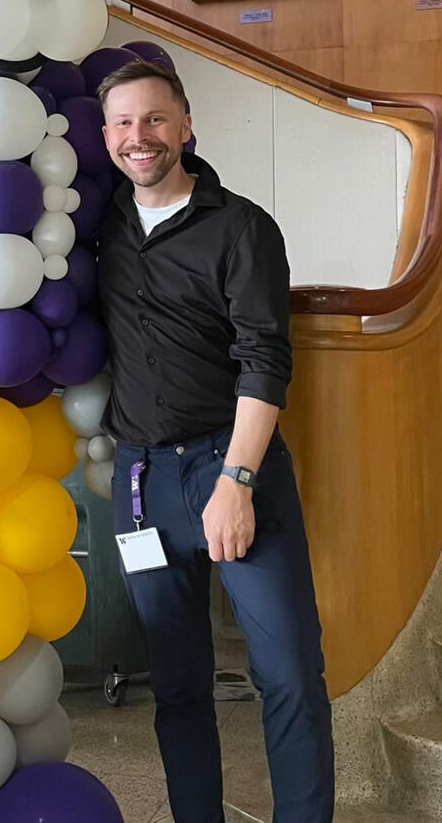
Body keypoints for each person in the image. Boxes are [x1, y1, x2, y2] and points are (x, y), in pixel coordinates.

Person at [96, 60, 334, 823]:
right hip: (139, 482)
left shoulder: (241, 227)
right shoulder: (98, 228)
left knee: (288, 669)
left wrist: (236, 479)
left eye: (155, 120)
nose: (140, 137)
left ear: (186, 125)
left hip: (230, 466)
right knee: (176, 683)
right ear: (105, 136)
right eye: (124, 123)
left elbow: (265, 356)